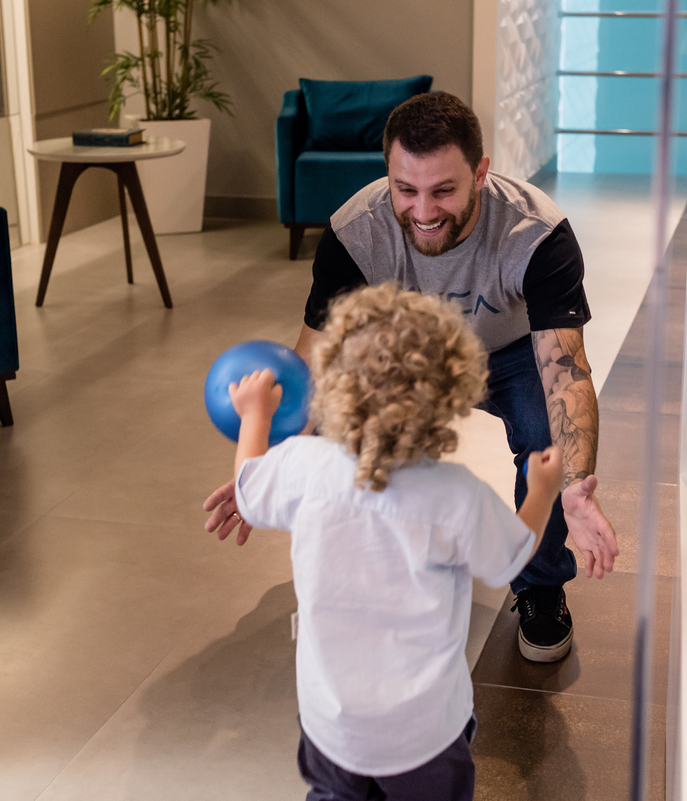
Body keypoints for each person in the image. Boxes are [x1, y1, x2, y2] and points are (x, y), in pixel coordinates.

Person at [206, 90, 617, 663]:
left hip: (510, 351)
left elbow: (565, 372)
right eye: (406, 189)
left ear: (480, 172)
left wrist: (572, 486)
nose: (423, 211)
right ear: (388, 175)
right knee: (342, 420)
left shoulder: (536, 234)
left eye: (443, 190)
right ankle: (364, 568)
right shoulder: (356, 232)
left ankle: (541, 587)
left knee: (546, 433)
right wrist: (277, 463)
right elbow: (315, 363)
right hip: (405, 358)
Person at [217, 285, 564, 801]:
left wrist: (255, 417)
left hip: (332, 723)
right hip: (424, 732)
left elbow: (248, 487)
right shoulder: (456, 497)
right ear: (450, 397)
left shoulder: (302, 467)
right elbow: (511, 557)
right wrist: (542, 492)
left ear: (330, 383)